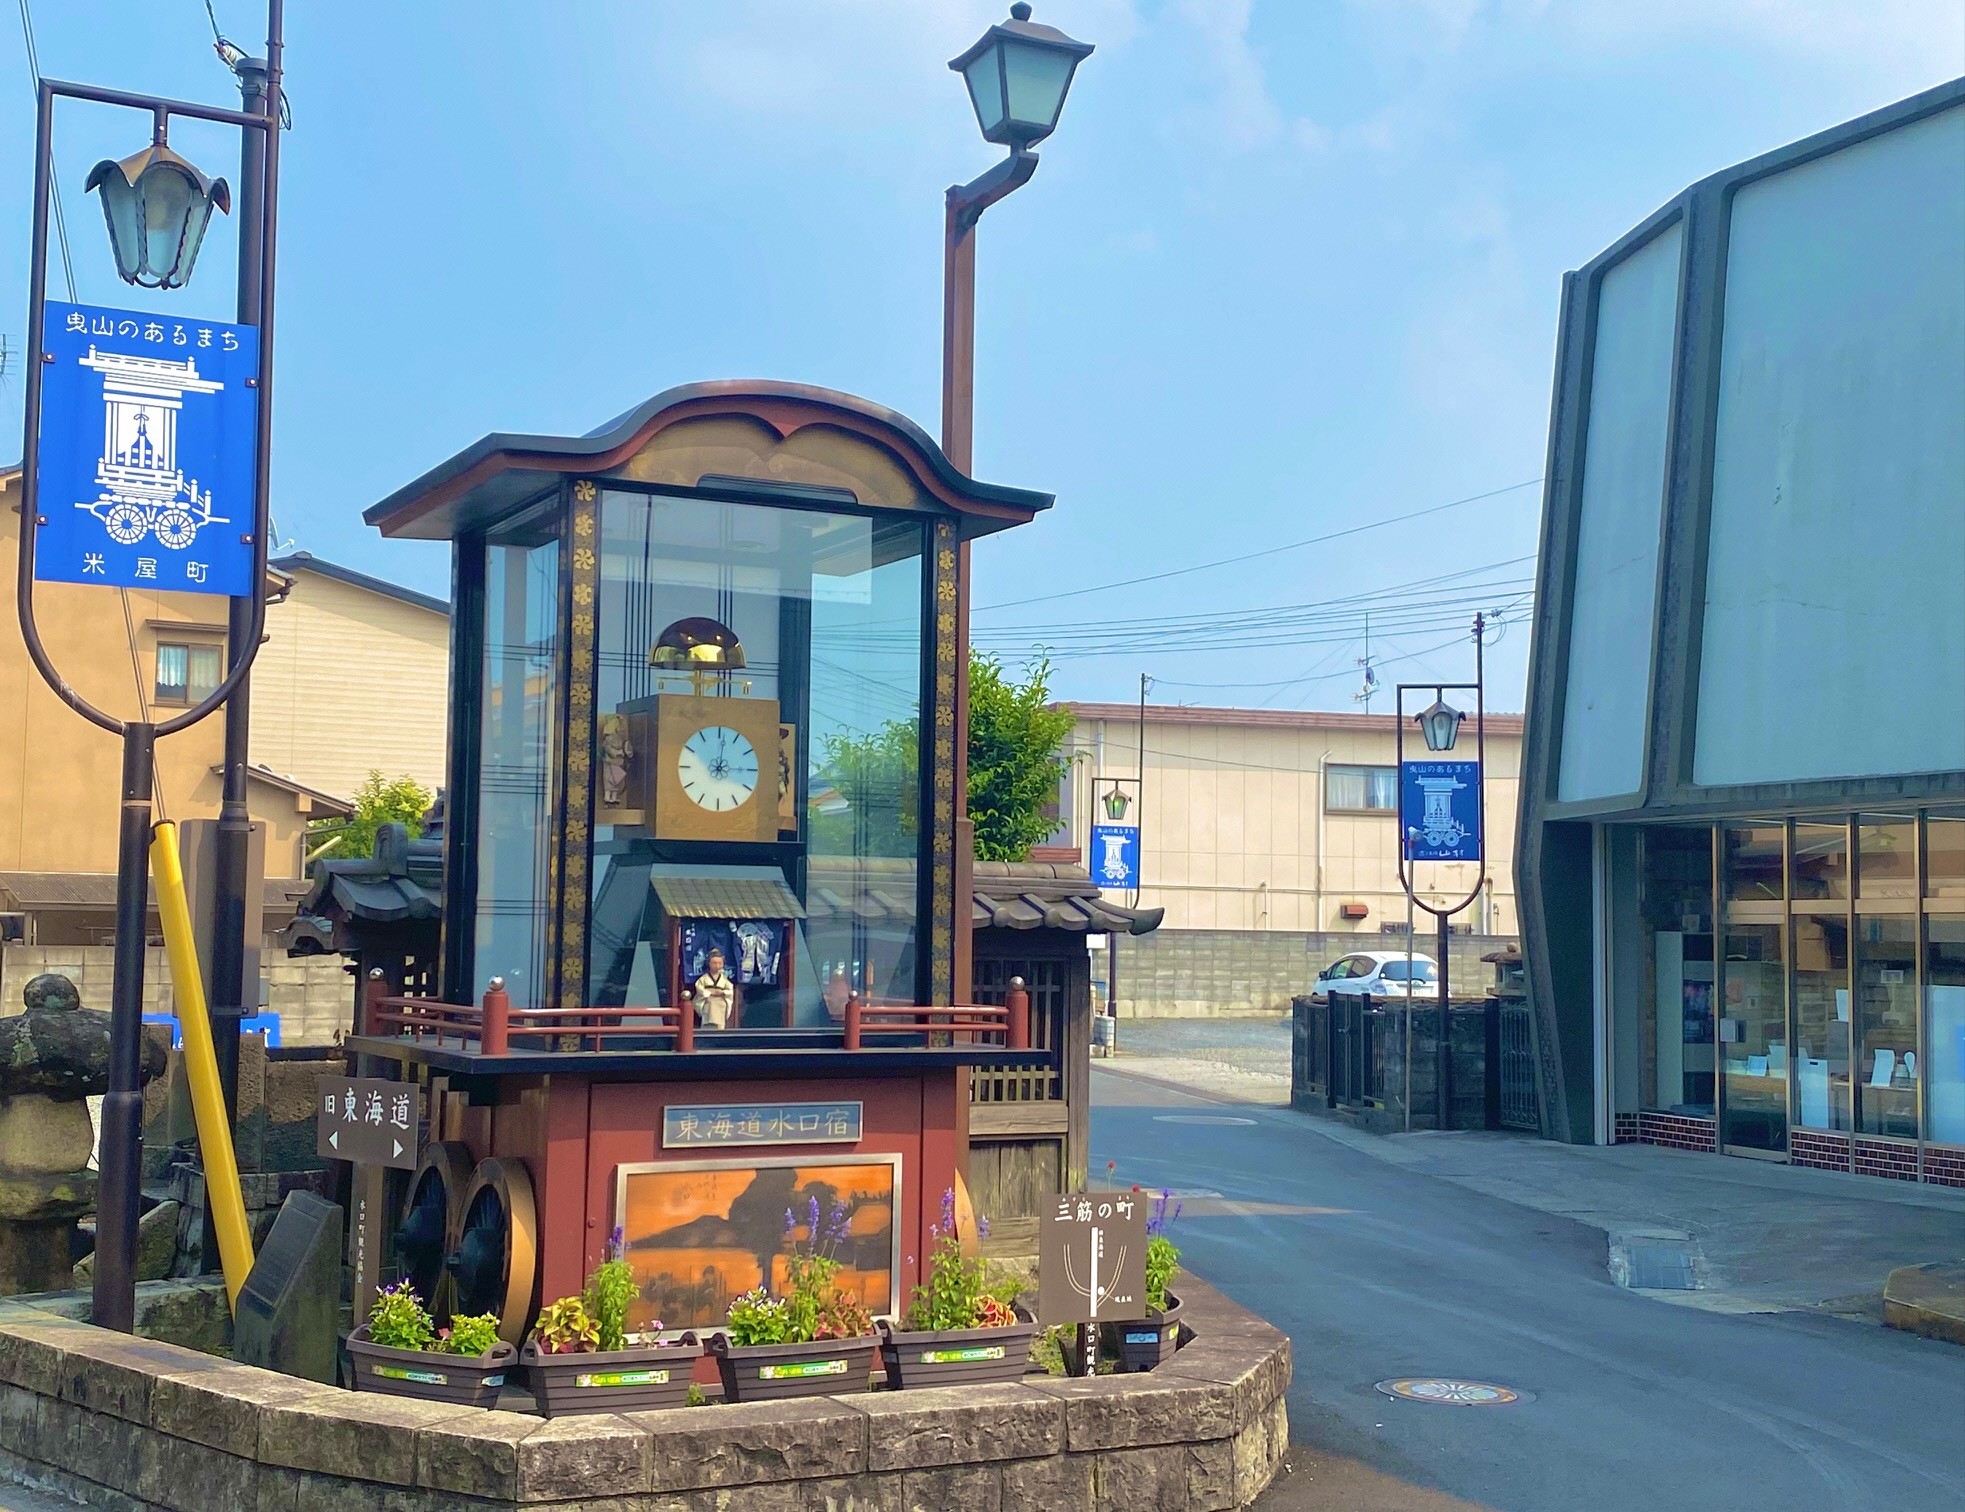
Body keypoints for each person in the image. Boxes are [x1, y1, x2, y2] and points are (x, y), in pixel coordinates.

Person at [693, 948, 736, 1030]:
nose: (717, 966)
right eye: (714, 963)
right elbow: (700, 989)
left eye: (720, 963)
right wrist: (710, 993)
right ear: (709, 963)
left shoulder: (724, 979)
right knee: (710, 1007)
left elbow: (730, 991)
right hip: (708, 1002)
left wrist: (722, 992)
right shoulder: (703, 979)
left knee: (720, 1026)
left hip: (721, 1003)